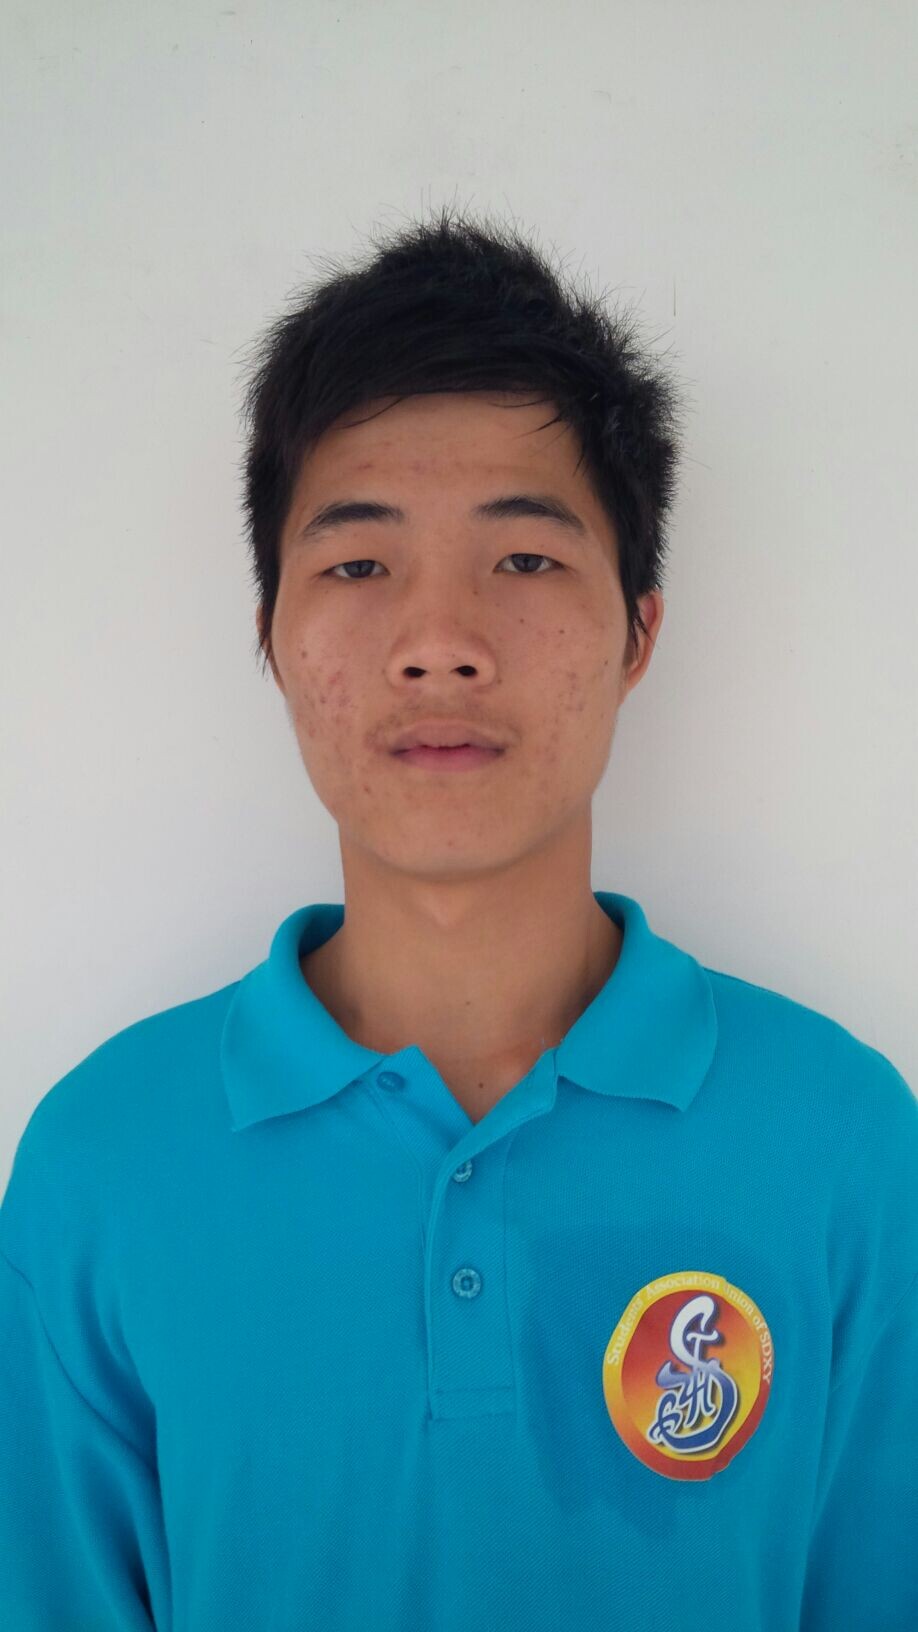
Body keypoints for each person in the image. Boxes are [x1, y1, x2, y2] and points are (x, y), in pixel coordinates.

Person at [1, 204, 915, 1631]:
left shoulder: (844, 1145)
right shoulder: (99, 1166)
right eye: (358, 565)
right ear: (271, 632)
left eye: (526, 559)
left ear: (639, 631)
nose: (440, 642)